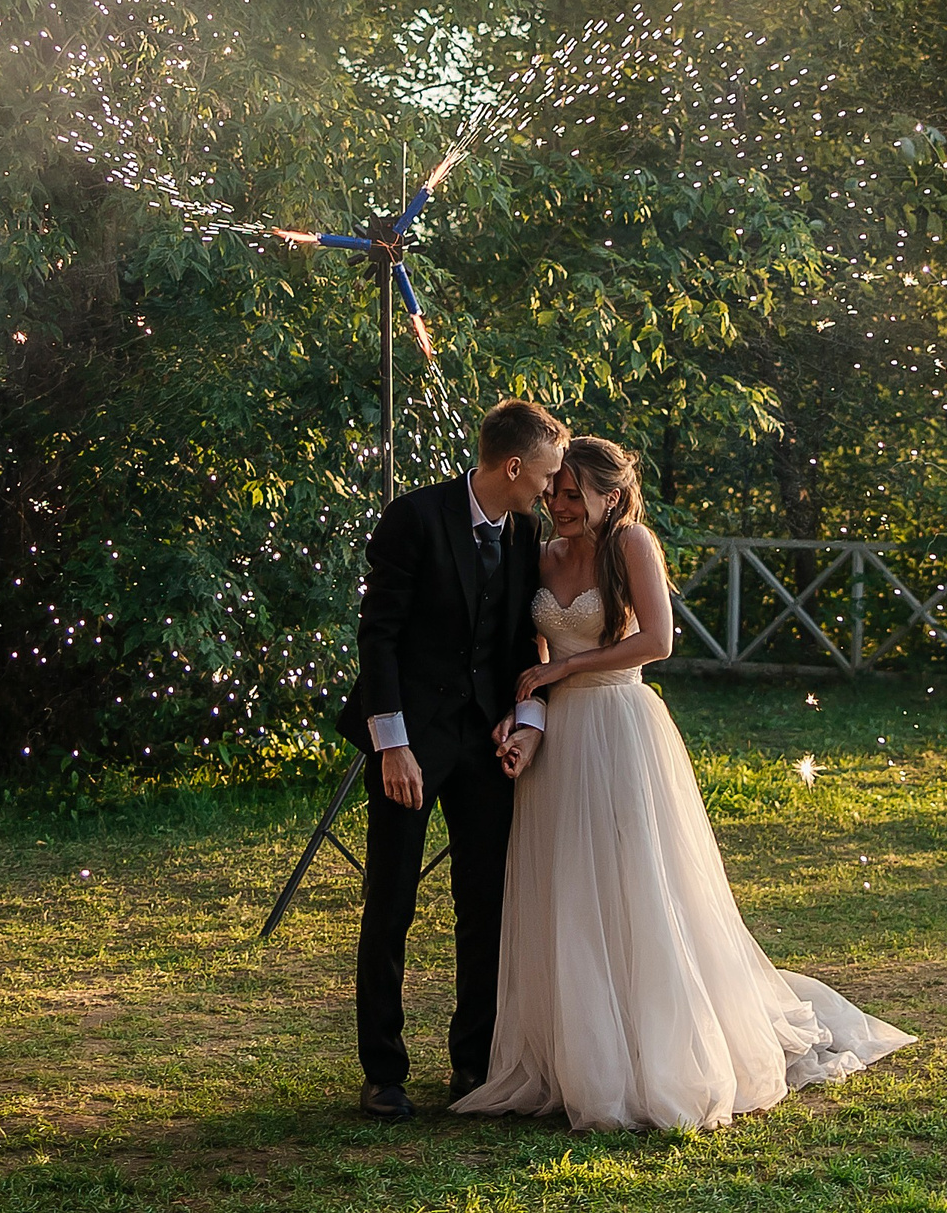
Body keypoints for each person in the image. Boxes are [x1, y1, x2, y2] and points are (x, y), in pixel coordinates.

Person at [454, 436, 912, 1132]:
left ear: (611, 496)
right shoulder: (541, 554)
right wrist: (530, 721)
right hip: (560, 739)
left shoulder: (631, 545)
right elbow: (531, 653)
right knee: (568, 886)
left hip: (621, 722)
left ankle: (655, 1046)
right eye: (556, 493)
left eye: (574, 495)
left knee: (637, 880)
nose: (559, 505)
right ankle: (579, 1052)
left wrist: (564, 668)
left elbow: (657, 641)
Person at [337, 398, 566, 1122]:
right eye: (547, 476)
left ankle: (473, 1064)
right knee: (391, 901)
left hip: (486, 744)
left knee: (486, 903)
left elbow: (527, 642)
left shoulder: (526, 531)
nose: (552, 491)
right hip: (410, 742)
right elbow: (379, 637)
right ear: (514, 466)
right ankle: (383, 1071)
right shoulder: (413, 517)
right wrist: (392, 744)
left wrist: (525, 720)